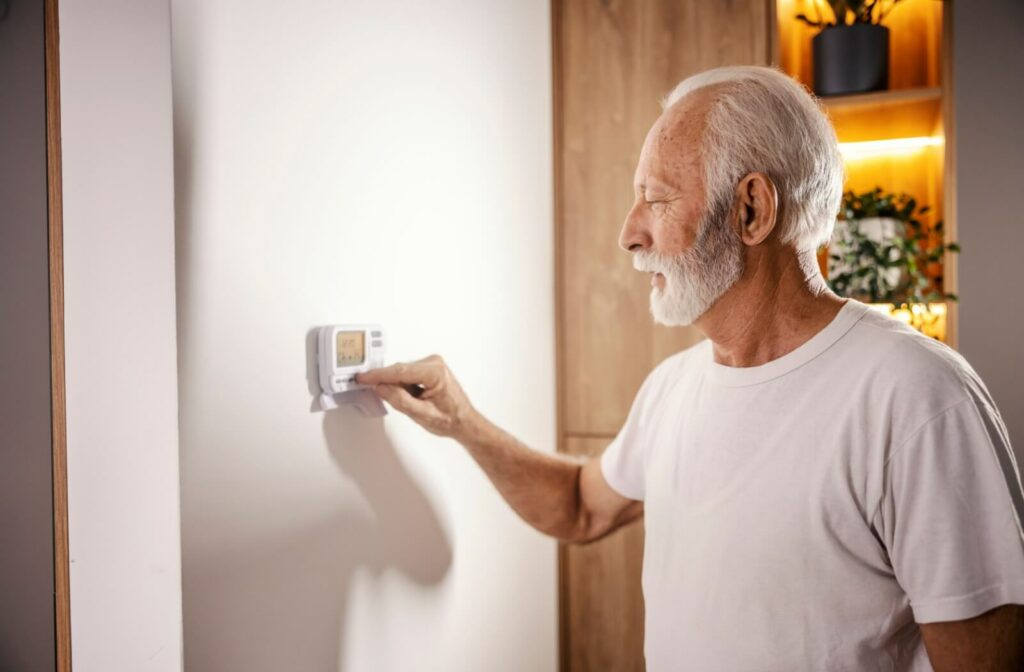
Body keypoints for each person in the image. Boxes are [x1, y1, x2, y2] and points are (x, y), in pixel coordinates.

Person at [355, 65, 1024, 670]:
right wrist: (464, 422)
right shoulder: (672, 390)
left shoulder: (918, 397)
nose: (628, 232)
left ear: (752, 209)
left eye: (657, 198)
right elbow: (582, 509)